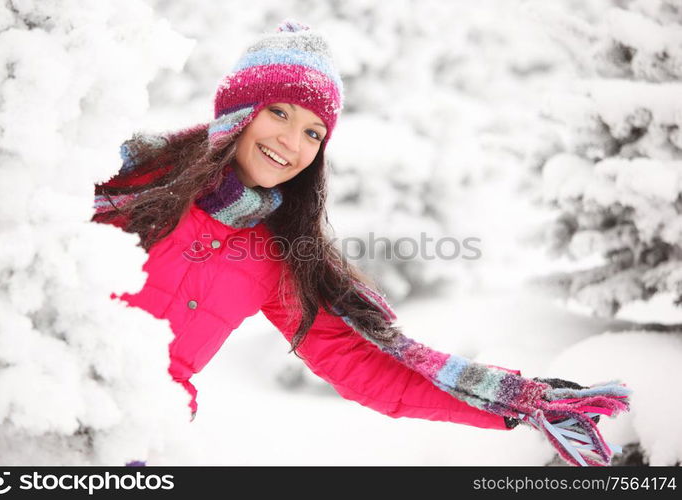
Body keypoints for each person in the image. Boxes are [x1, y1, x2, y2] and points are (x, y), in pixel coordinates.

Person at [92, 19, 631, 467]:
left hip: (136, 448)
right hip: (35, 398)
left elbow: (367, 363)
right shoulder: (127, 176)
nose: (291, 142)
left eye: (313, 132)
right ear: (238, 111)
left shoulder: (280, 254)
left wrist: (517, 402)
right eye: (279, 112)